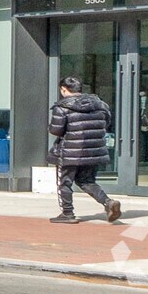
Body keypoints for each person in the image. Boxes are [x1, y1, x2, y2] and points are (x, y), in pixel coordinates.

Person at [48, 75, 121, 224]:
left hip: (69, 152)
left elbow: (56, 130)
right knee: (86, 181)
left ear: (63, 89)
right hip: (93, 151)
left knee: (65, 182)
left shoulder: (62, 107)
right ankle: (108, 202)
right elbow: (105, 123)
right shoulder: (100, 105)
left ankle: (67, 213)